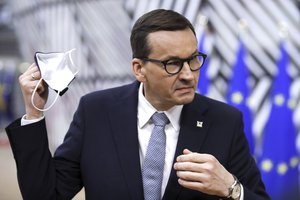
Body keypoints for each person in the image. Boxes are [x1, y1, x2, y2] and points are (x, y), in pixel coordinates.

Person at [6, 9, 269, 200]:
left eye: (193, 59)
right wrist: (34, 113)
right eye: (173, 63)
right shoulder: (96, 112)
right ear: (139, 69)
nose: (189, 73)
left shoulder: (224, 120)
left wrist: (231, 188)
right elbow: (47, 195)